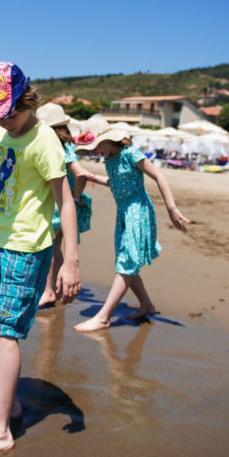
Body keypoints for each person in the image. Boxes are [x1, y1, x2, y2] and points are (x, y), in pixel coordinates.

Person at [0, 62, 81, 457]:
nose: (4, 120)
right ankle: (8, 403)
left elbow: (66, 201)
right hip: (2, 242)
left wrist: (71, 261)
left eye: (9, 112)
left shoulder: (44, 141)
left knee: (5, 332)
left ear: (26, 99)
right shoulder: (1, 134)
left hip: (29, 247)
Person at [71, 119, 189, 332]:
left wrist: (171, 208)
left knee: (126, 262)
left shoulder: (130, 153)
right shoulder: (109, 159)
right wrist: (92, 177)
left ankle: (103, 317)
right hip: (123, 213)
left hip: (138, 211)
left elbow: (158, 175)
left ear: (108, 140)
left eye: (96, 146)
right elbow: (116, 182)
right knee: (125, 260)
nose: (94, 152)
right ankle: (146, 305)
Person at [35, 102, 93, 308]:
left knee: (49, 249)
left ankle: (48, 291)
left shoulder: (56, 146)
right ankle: (58, 287)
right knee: (56, 249)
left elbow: (81, 174)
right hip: (62, 204)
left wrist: (76, 197)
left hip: (58, 205)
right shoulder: (67, 146)